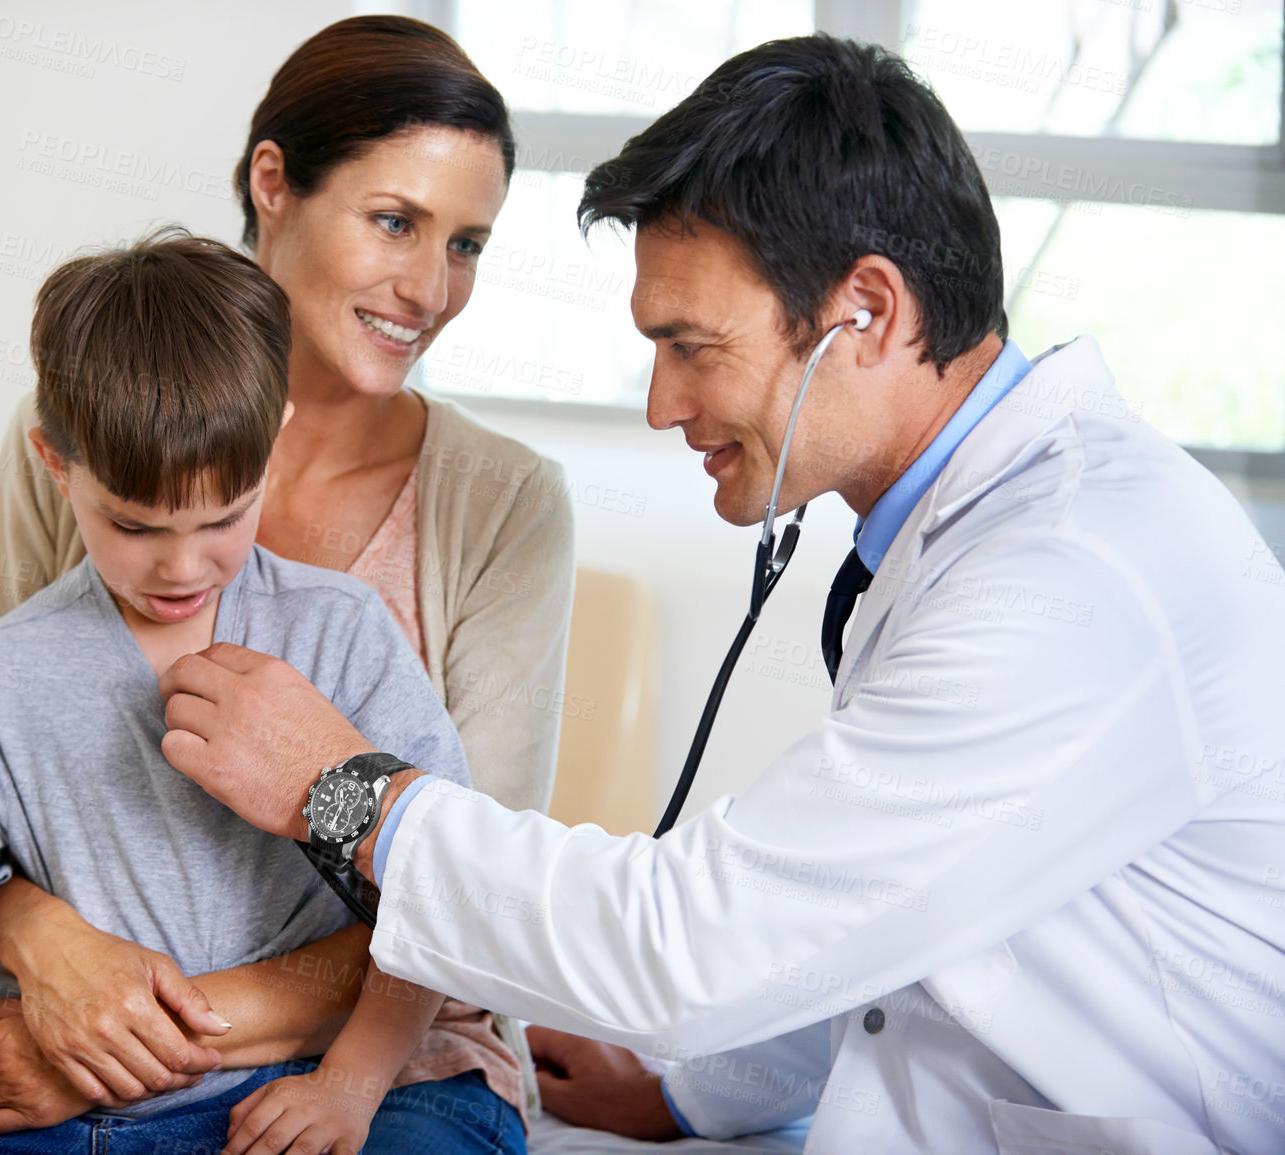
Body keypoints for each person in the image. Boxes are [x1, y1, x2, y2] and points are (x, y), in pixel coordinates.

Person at [153, 34, 1285, 1155]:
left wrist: (338, 791)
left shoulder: (1069, 577)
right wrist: (695, 1100)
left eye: (691, 346)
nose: (660, 404)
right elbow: (875, 910)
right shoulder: (974, 533)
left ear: (870, 313)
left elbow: (696, 943)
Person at [0, 14, 570, 1138]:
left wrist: (131, 1046)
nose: (431, 289)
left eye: (468, 244)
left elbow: (477, 890)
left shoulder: (506, 503)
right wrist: (52, 963)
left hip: (398, 1065)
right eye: (396, 222)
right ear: (272, 182)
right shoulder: (73, 441)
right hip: (66, 1030)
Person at [0, 233, 523, 1154]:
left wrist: (349, 1085)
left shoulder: (343, 631)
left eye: (223, 517)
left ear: (273, 439)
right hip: (74, 1106)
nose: (182, 565)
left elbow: (431, 892)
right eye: (133, 525)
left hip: (318, 1077)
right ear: (56, 465)